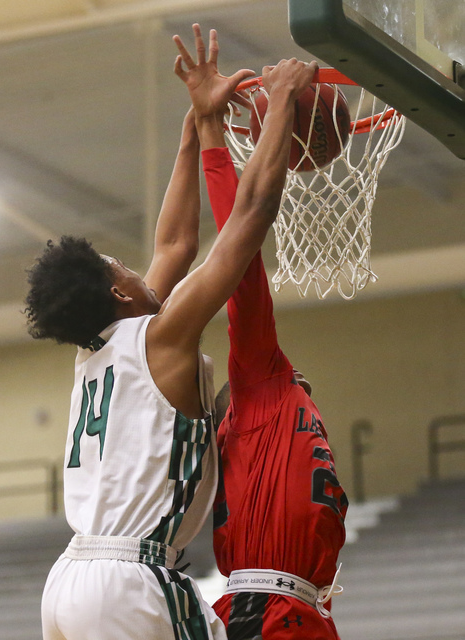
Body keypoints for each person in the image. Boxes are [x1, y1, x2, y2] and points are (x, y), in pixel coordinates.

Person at [25, 23, 318, 640]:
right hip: (129, 580)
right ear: (118, 291)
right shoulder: (158, 338)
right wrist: (281, 108)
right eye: (121, 265)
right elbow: (249, 219)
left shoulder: (99, 350)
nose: (136, 266)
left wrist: (198, 125)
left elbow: (176, 242)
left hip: (68, 583)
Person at [192, 64, 349, 639]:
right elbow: (242, 259)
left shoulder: (289, 414)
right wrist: (225, 127)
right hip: (263, 611)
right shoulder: (265, 388)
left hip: (308, 614)